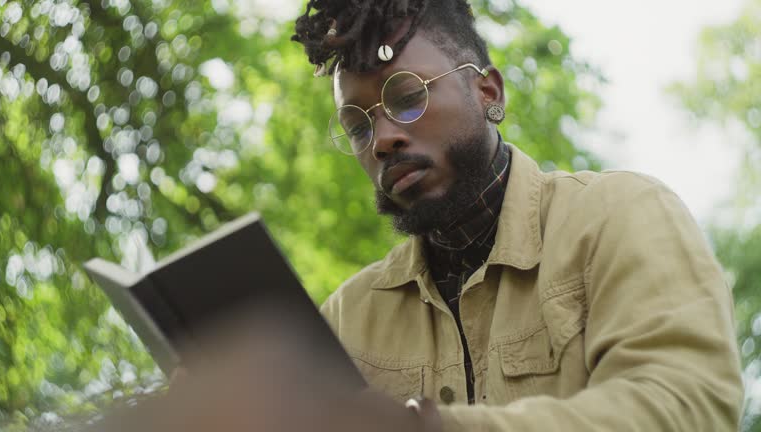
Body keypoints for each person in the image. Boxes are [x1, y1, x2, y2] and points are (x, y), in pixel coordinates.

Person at [287, 0, 745, 430]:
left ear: (488, 91)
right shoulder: (345, 320)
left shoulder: (620, 215)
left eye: (407, 98)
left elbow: (688, 403)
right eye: (358, 127)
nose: (382, 140)